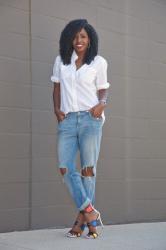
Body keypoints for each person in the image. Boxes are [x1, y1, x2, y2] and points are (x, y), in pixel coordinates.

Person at [51, 19, 110, 239]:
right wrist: (57, 110)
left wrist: (102, 104)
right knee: (65, 167)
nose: (79, 41)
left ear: (90, 39)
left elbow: (103, 90)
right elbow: (56, 88)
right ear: (69, 38)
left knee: (88, 170)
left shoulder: (99, 63)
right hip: (67, 121)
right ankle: (90, 212)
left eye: (83, 36)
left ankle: (81, 223)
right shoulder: (61, 61)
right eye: (75, 36)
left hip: (90, 119)